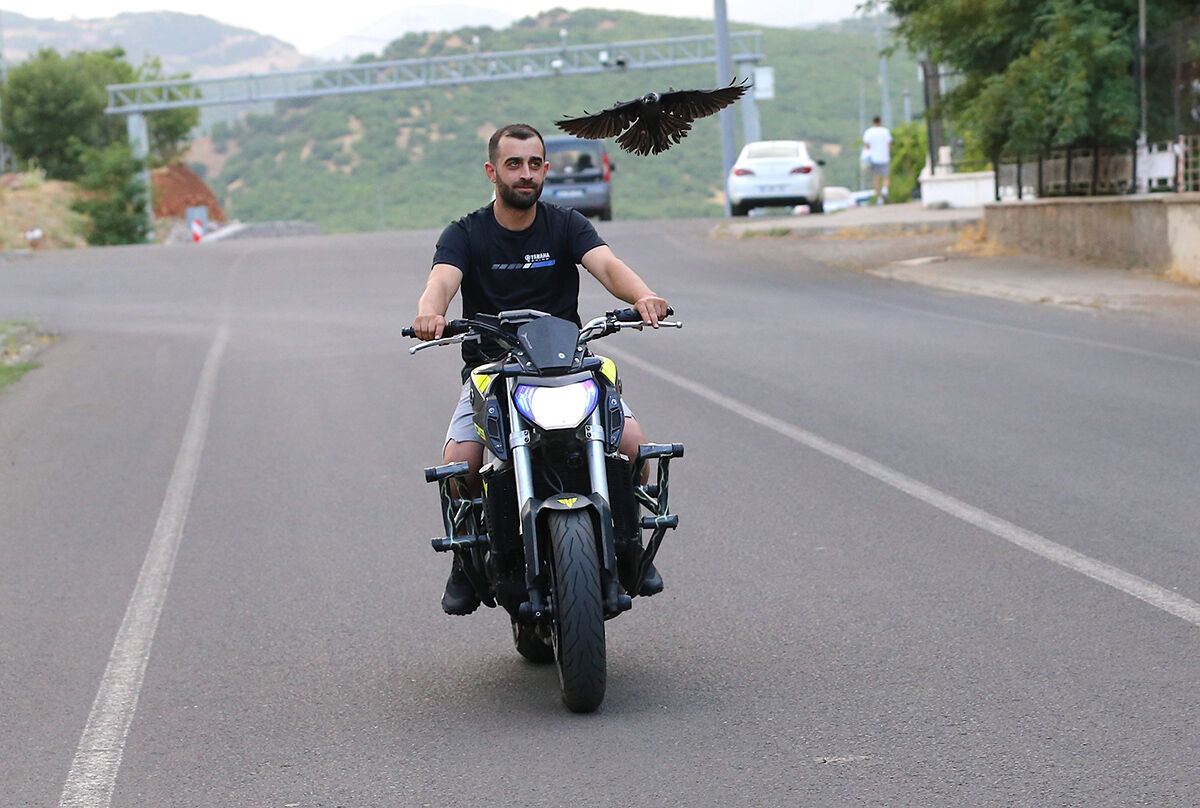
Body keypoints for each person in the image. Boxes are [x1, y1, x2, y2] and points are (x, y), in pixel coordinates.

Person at [411, 122, 670, 615]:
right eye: (514, 164)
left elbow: (607, 265)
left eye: (534, 164)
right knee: (460, 465)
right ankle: (466, 563)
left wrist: (643, 295)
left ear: (546, 169)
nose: (525, 174)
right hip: (493, 372)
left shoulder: (566, 225)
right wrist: (431, 312)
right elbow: (441, 280)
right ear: (492, 171)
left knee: (637, 448)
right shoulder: (465, 233)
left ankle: (631, 546)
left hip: (567, 365)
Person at [862, 115, 893, 205]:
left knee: (876, 178)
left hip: (873, 159)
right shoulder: (885, 131)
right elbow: (890, 144)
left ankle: (879, 198)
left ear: (873, 122)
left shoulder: (868, 132)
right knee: (886, 177)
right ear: (880, 122)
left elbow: (867, 146)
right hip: (884, 157)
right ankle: (885, 189)